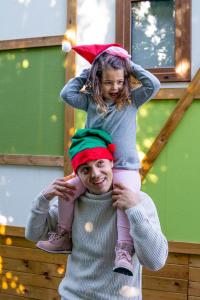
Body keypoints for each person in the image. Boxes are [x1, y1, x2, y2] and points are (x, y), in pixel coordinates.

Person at [36, 43, 161, 276]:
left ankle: (123, 250)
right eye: (108, 82)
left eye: (120, 81)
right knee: (67, 189)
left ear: (126, 80)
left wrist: (128, 65)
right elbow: (67, 94)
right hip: (95, 167)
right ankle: (64, 235)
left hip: (124, 168)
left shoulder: (132, 101)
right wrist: (90, 69)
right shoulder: (91, 102)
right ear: (97, 81)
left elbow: (153, 84)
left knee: (124, 198)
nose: (115, 87)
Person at [25, 128, 168, 300]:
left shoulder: (139, 201)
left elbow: (155, 262)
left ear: (111, 163)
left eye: (100, 163)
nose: (95, 174)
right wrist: (43, 199)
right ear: (77, 174)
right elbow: (33, 234)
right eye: (85, 169)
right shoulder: (70, 204)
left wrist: (134, 210)